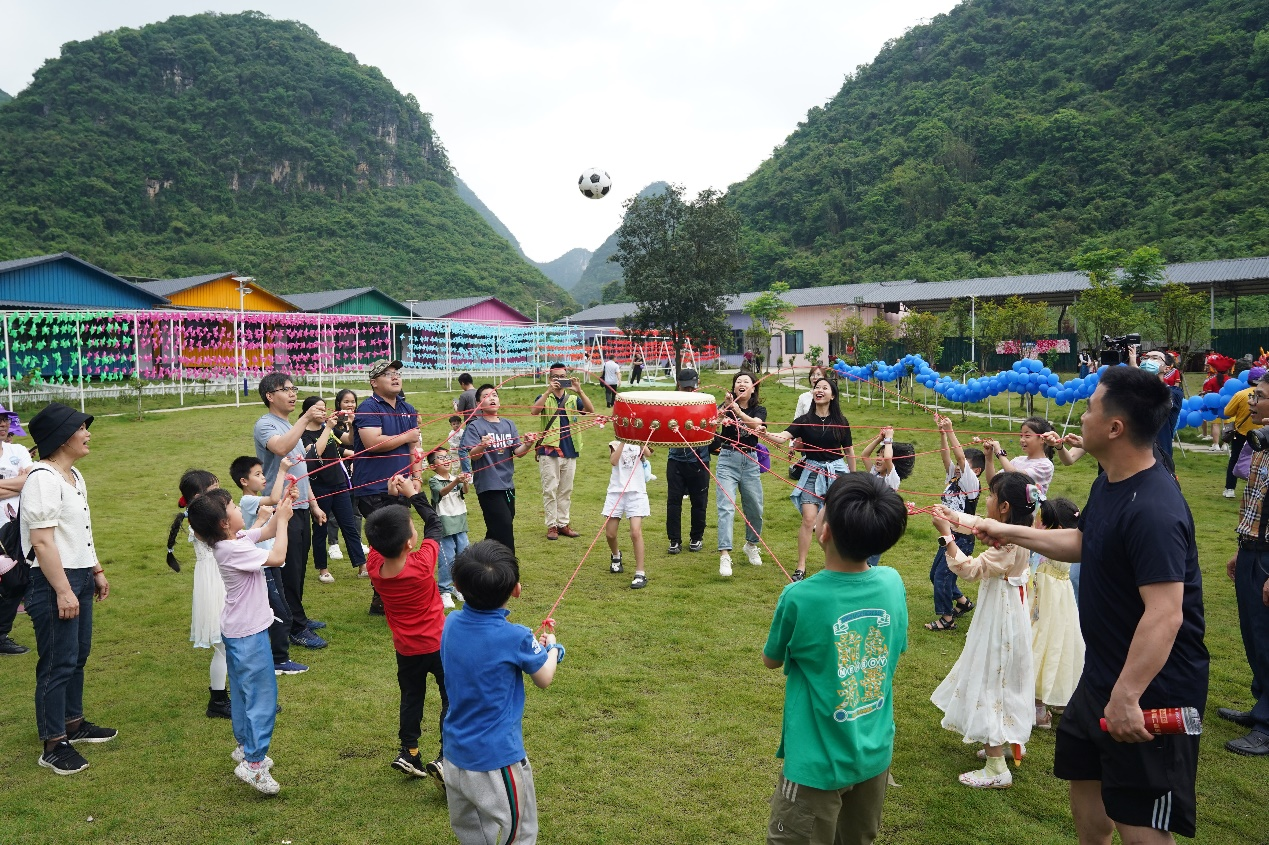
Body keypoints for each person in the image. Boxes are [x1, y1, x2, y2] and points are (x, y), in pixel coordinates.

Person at [973, 366, 1208, 840]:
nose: (1080, 417)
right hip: (1101, 672)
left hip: (1148, 686)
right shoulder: (1111, 480)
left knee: (1137, 818)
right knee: (1087, 790)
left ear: (1116, 427)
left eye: (1091, 408)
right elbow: (1085, 541)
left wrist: (1127, 697)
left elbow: (1166, 614)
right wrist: (1006, 530)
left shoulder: (1154, 509)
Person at [761, 473, 908, 845]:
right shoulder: (892, 582)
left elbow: (771, 659)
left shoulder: (798, 597)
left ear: (823, 533)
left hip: (816, 766)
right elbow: (897, 648)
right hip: (874, 754)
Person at [440, 540, 565, 844]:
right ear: (517, 589)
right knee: (520, 833)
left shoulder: (451, 621)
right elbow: (544, 678)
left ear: (457, 585)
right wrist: (553, 649)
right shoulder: (518, 636)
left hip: (454, 757)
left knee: (473, 834)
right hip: (497, 761)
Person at [929, 471, 1040, 789]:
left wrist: (947, 536)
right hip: (1009, 612)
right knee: (1006, 679)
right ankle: (1005, 740)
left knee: (989, 677)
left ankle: (996, 767)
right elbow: (981, 524)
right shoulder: (1019, 529)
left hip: (999, 618)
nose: (986, 500)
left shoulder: (1006, 543)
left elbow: (970, 570)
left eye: (990, 496)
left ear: (1003, 506)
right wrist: (953, 515)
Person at [21, 403, 115, 775]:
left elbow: (79, 533)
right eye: (81, 428)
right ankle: (53, 743)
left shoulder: (73, 474)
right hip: (51, 580)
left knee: (78, 654)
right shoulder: (42, 479)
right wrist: (62, 590)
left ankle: (73, 724)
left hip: (77, 574)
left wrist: (95, 570)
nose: (88, 433)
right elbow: (42, 542)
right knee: (57, 662)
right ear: (62, 438)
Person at [187, 487, 294, 795]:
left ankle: (245, 747)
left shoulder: (233, 541)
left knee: (245, 695)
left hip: (239, 631)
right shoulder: (232, 550)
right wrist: (285, 521)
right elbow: (278, 555)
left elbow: (266, 531)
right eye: (233, 506)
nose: (237, 509)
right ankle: (254, 764)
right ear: (223, 522)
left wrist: (282, 508)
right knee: (262, 699)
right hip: (248, 635)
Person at [364, 476, 449, 786]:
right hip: (439, 645)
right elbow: (435, 525)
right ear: (411, 542)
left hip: (406, 649)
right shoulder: (422, 564)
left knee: (411, 698)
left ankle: (409, 752)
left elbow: (383, 533)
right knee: (450, 699)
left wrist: (395, 500)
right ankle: (447, 757)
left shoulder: (374, 565)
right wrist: (414, 496)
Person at [253, 372, 327, 648]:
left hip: (300, 506)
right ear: (270, 396)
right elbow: (281, 449)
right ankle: (294, 627)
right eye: (286, 389)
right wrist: (306, 419)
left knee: (297, 568)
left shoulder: (287, 424)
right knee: (287, 570)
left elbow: (300, 470)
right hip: (282, 510)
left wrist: (314, 504)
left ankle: (299, 617)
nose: (293, 393)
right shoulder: (265, 425)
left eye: (294, 388)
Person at [351, 359, 425, 615]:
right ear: (374, 382)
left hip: (402, 484)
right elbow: (372, 442)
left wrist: (417, 477)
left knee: (402, 540)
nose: (395, 377)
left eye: (396, 373)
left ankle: (388, 598)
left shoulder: (408, 408)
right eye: (387, 374)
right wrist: (406, 437)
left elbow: (414, 448)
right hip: (373, 488)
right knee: (383, 544)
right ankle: (384, 597)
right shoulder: (368, 408)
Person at [1221, 374, 1269, 757]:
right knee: (1254, 635)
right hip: (1253, 549)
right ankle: (1260, 706)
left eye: (1260, 396)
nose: (1252, 401)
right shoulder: (1261, 440)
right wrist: (1243, 546)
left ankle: (1267, 725)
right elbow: (1255, 502)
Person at [765, 377, 855, 580]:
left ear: (832, 395)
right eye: (816, 387)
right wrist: (763, 432)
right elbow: (782, 437)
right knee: (808, 519)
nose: (819, 390)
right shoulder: (804, 420)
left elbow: (849, 450)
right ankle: (801, 567)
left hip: (837, 472)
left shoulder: (841, 422)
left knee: (836, 521)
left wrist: (853, 477)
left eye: (825, 388)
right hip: (812, 472)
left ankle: (837, 564)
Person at [230, 455, 308, 676]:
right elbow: (273, 499)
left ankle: (271, 654)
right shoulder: (247, 501)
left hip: (270, 564)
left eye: (263, 473)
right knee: (281, 613)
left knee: (279, 610)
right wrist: (282, 469)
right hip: (263, 566)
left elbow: (277, 513)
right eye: (257, 474)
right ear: (243, 481)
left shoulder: (256, 501)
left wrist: (287, 499)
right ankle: (278, 660)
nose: (263, 477)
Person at [165, 469, 234, 719]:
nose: (221, 494)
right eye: (215, 489)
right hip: (216, 583)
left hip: (216, 579)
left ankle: (226, 697)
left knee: (228, 647)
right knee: (225, 646)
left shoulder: (201, 519)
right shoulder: (204, 522)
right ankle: (219, 700)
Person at [926, 414, 985, 631]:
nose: (959, 467)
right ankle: (963, 603)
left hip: (962, 537)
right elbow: (946, 457)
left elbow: (959, 458)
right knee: (936, 575)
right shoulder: (954, 478)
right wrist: (941, 433)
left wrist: (950, 430)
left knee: (942, 576)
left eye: (965, 466)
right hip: (949, 533)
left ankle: (946, 619)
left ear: (975, 471)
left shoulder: (972, 483)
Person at [460, 384, 535, 555]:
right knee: (504, 527)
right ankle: (510, 570)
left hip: (508, 485)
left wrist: (529, 444)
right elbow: (473, 456)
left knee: (497, 529)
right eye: (486, 396)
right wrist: (482, 446)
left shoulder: (509, 424)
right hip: (488, 485)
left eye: (494, 395)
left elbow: (518, 452)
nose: (492, 398)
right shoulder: (475, 426)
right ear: (479, 404)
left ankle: (477, 558)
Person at [1031, 497, 1085, 730]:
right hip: (1061, 603)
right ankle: (1047, 705)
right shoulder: (1073, 544)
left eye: (1045, 521)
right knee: (1053, 650)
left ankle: (1037, 708)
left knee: (1041, 648)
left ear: (1058, 529)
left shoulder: (1053, 546)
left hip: (1047, 600)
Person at [299, 395, 360, 585]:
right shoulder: (302, 435)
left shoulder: (329, 430)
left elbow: (347, 442)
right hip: (319, 486)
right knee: (320, 528)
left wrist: (352, 424)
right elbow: (315, 453)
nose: (323, 412)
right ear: (308, 411)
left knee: (349, 526)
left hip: (339, 483)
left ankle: (362, 566)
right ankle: (323, 569)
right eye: (318, 409)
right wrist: (328, 428)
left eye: (324, 408)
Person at [530, 362, 594, 541]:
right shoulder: (544, 397)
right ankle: (552, 525)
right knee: (550, 489)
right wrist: (548, 391)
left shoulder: (573, 399)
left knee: (566, 490)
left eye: (562, 376)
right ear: (550, 379)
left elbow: (590, 411)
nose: (559, 380)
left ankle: (563, 523)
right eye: (556, 377)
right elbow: (534, 411)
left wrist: (579, 390)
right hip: (548, 450)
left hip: (570, 449)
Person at [713, 372, 768, 578]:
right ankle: (725, 554)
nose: (742, 384)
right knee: (726, 507)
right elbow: (711, 425)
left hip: (751, 461)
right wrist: (725, 409)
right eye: (738, 382)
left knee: (755, 507)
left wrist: (737, 411)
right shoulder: (726, 407)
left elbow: (756, 426)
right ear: (734, 388)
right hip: (727, 458)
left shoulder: (759, 409)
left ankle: (751, 544)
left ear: (753, 388)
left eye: (746, 382)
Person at [665, 368, 710, 555]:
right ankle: (674, 540)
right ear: (678, 385)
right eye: (685, 388)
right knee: (673, 502)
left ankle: (696, 537)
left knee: (699, 501)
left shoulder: (705, 402)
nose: (689, 391)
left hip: (700, 460)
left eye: (692, 388)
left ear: (697, 385)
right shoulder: (669, 404)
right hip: (675, 459)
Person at [0, 405, 32, 656]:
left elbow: (30, 481)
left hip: (18, 525)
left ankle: (1, 634)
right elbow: (21, 483)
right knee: (11, 579)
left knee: (16, 578)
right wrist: (17, 485)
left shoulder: (18, 450)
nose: (2, 424)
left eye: (4, 419)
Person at [859, 426, 915, 567]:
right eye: (878, 455)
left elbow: (889, 459)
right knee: (861, 551)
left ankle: (867, 579)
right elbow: (864, 455)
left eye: (882, 456)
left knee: (871, 557)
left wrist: (889, 438)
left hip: (881, 520)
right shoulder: (874, 473)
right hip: (867, 517)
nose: (878, 459)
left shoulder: (892, 478)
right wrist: (879, 439)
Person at [328, 388, 369, 573]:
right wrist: (352, 454)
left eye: (353, 401)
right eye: (346, 401)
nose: (350, 405)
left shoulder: (357, 421)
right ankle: (334, 543)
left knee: (356, 508)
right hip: (338, 470)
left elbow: (358, 441)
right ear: (339, 404)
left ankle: (357, 541)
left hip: (356, 470)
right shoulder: (332, 423)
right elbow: (333, 447)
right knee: (335, 510)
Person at [603, 439, 653, 589]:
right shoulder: (614, 444)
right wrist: (623, 442)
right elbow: (613, 461)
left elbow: (648, 453)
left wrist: (639, 441)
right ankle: (616, 556)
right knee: (610, 534)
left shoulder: (639, 442)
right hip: (616, 492)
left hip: (636, 492)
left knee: (635, 532)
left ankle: (640, 573)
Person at [428, 447, 471, 610]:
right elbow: (442, 492)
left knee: (464, 556)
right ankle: (444, 590)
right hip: (444, 523)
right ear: (432, 465)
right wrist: (456, 482)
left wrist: (465, 482)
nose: (446, 460)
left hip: (460, 521)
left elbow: (464, 491)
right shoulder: (434, 480)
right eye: (440, 458)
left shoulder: (455, 478)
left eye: (447, 457)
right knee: (447, 558)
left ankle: (459, 587)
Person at [981, 415, 1055, 494]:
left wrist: (999, 452)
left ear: (1042, 439)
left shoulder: (1045, 465)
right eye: (1021, 436)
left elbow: (1016, 476)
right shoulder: (1017, 460)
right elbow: (993, 482)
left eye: (1027, 436)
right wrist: (989, 458)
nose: (1022, 440)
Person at [1222, 366, 1265, 498]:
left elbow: (1227, 412)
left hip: (1242, 433)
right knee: (1260, 463)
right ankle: (1256, 489)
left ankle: (1230, 488)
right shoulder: (1265, 396)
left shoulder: (1241, 395)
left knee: (1235, 459)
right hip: (1262, 434)